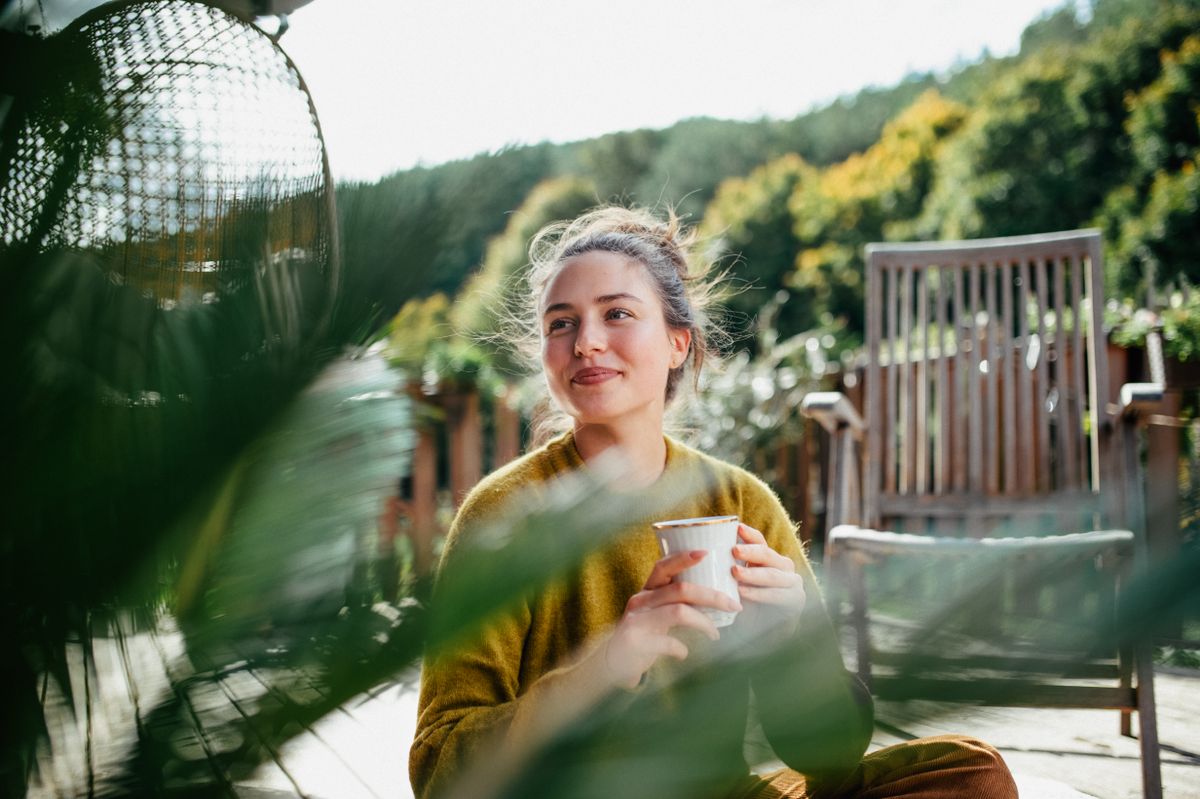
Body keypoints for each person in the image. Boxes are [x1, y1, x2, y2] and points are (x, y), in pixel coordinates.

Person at [409, 206, 1017, 799]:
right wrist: (608, 666)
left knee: (972, 775)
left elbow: (826, 761)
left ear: (678, 344)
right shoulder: (504, 515)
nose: (587, 342)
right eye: (560, 323)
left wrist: (789, 640)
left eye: (616, 313)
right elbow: (439, 773)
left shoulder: (741, 504)